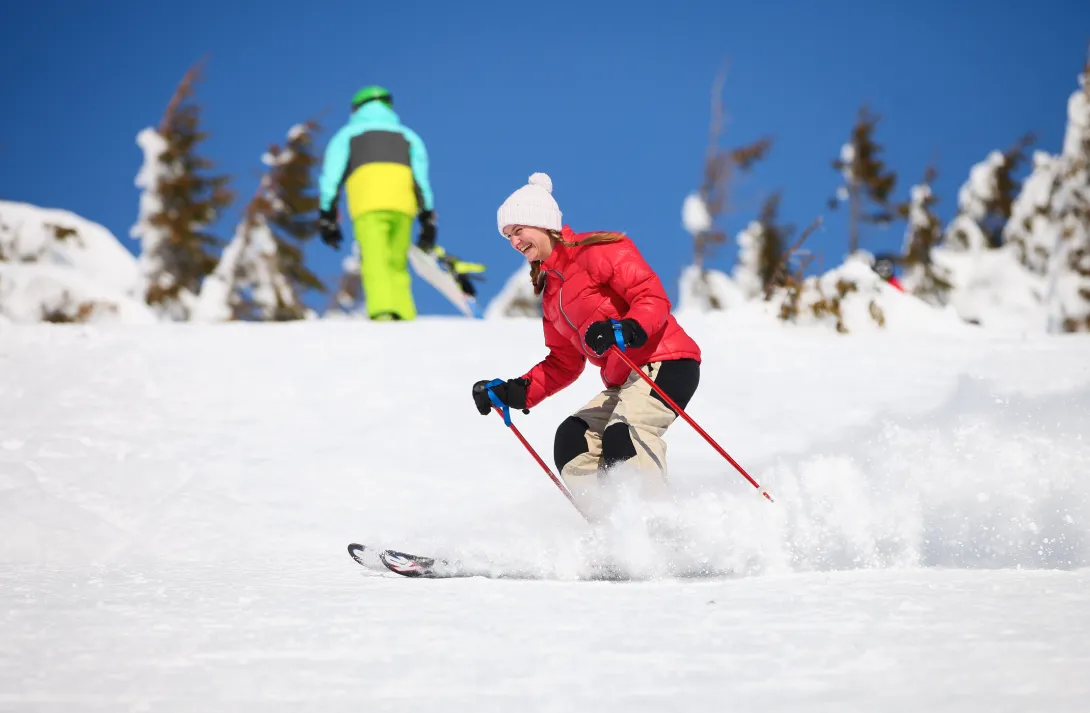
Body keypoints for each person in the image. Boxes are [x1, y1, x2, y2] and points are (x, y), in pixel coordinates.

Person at [472, 173, 702, 521]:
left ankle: (658, 529)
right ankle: (612, 532)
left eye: (519, 229)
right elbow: (564, 362)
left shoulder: (597, 250)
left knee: (624, 434)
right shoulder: (552, 294)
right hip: (627, 379)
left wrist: (626, 328)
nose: (514, 241)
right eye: (508, 235)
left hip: (664, 361)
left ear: (542, 222)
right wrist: (515, 393)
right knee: (573, 439)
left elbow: (650, 296)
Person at [316, 85, 437, 321]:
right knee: (397, 261)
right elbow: (421, 180)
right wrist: (428, 217)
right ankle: (404, 313)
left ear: (356, 109)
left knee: (375, 258)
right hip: (403, 206)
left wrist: (327, 214)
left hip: (368, 204)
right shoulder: (408, 136)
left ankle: (383, 312)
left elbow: (331, 177)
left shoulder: (347, 135)